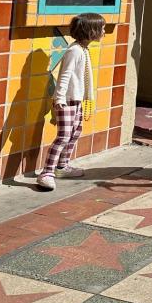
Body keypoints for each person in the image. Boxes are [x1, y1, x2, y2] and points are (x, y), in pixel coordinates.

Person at [37, 13, 106, 190]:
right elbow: (65, 75)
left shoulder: (82, 49)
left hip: (76, 100)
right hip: (67, 101)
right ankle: (47, 172)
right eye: (102, 29)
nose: (104, 32)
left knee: (75, 132)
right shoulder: (74, 50)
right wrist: (59, 98)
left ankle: (62, 166)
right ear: (92, 31)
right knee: (63, 136)